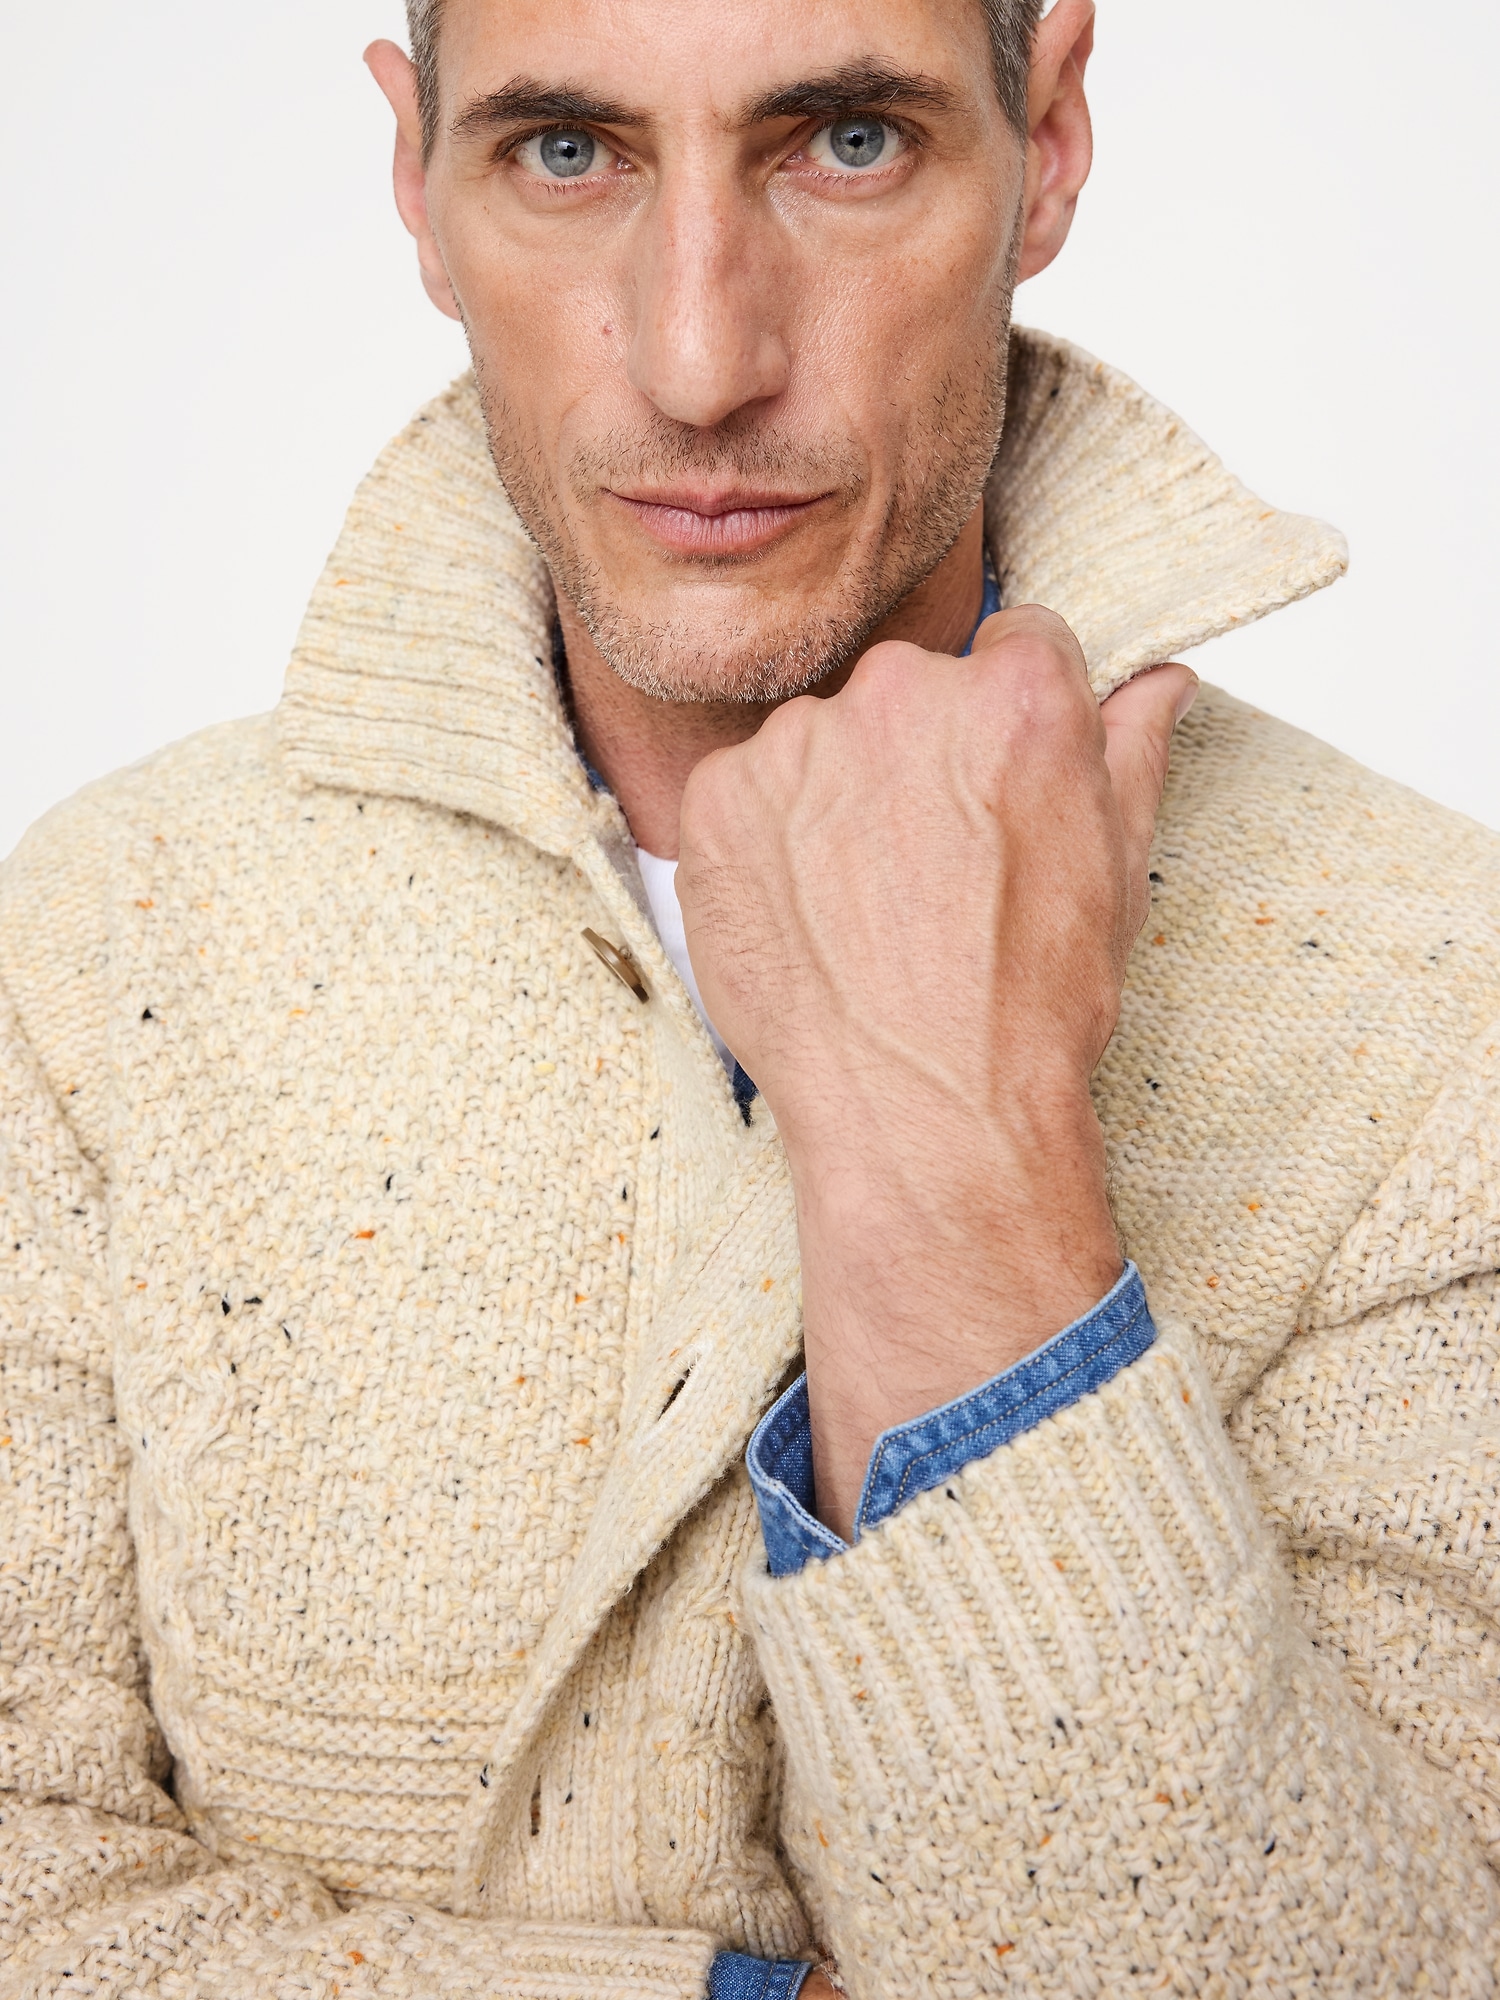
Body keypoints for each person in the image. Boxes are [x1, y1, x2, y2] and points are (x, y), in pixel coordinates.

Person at [4, 0, 1500, 1992]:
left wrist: (952, 1159)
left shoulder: (1442, 1012)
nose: (701, 360)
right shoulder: (103, 949)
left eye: (847, 143)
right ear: (416, 183)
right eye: (567, 154)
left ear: (1049, 139)